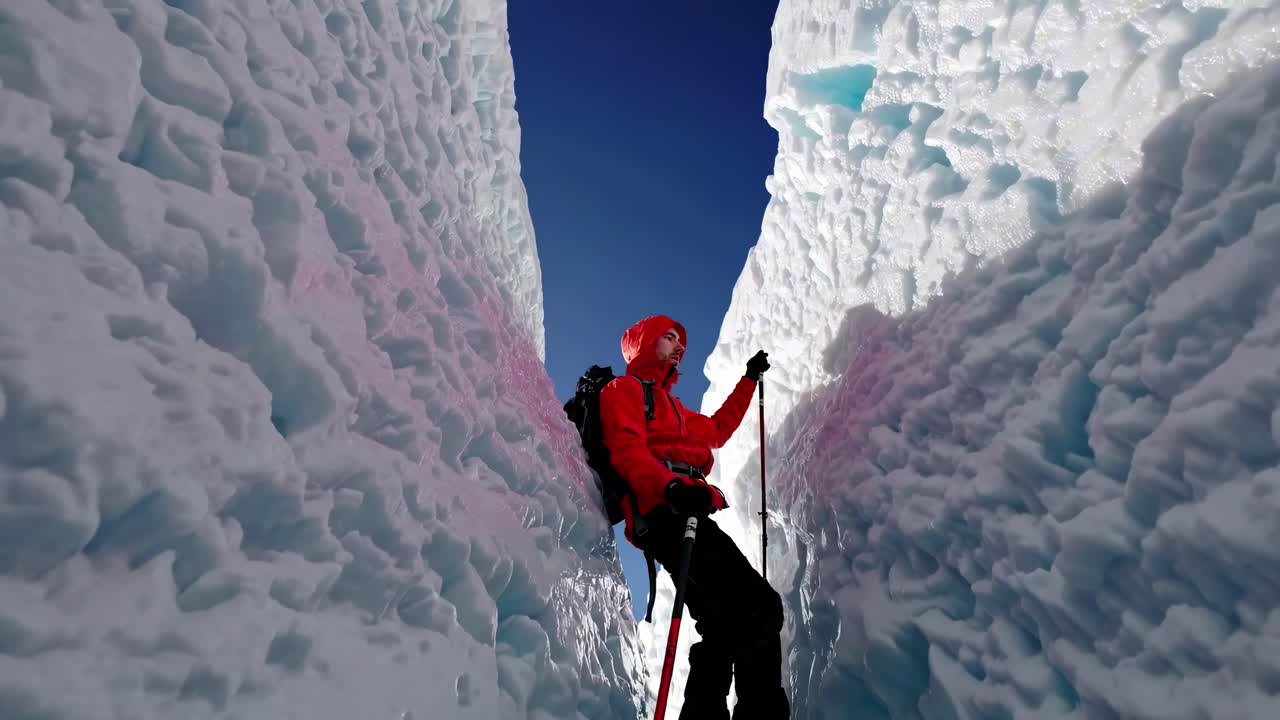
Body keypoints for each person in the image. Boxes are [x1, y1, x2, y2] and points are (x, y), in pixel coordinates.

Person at [599, 314, 789, 720]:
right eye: (669, 338)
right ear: (645, 344)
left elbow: (718, 430)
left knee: (721, 625)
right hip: (666, 512)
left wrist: (748, 380)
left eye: (680, 340)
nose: (679, 346)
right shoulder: (624, 390)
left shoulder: (676, 410)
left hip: (687, 509)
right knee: (760, 607)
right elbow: (626, 448)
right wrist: (670, 487)